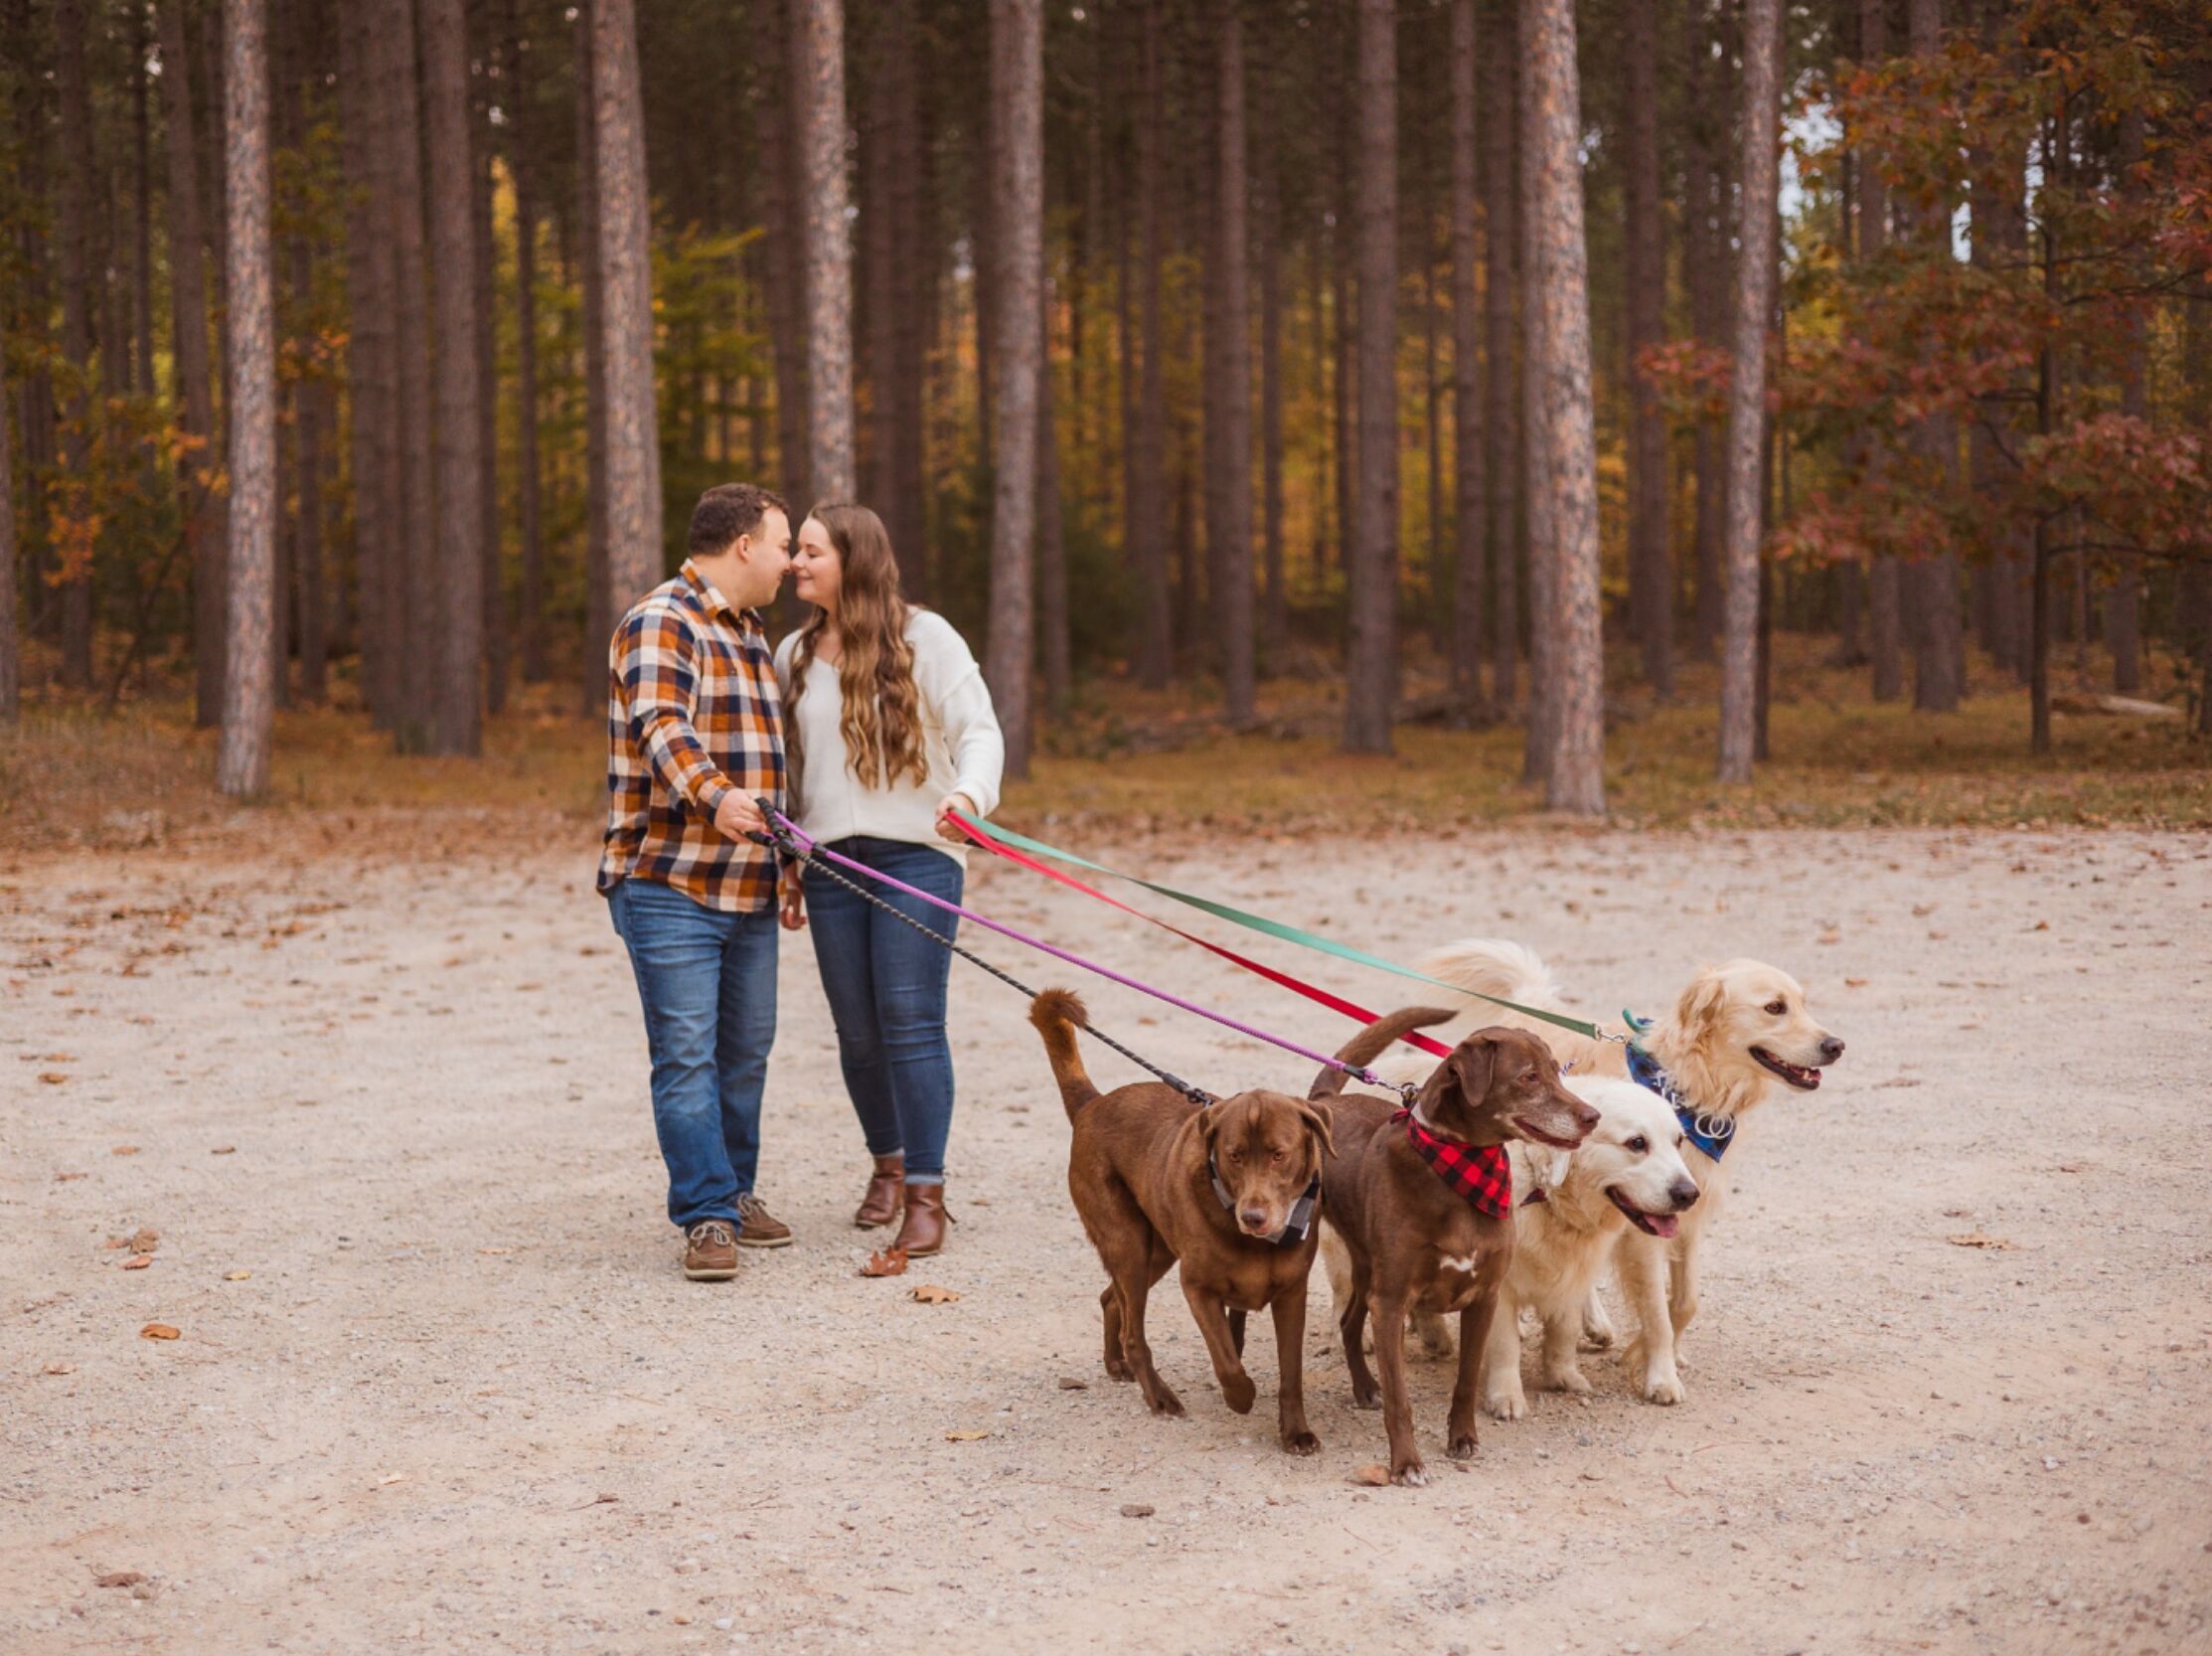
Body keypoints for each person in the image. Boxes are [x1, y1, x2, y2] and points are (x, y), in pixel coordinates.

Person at [774, 504, 1005, 1266]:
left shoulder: (926, 638)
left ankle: (927, 1196)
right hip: (830, 864)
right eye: (795, 552)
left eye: (809, 552)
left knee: (908, 1018)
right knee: (858, 1032)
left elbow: (979, 730)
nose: (794, 564)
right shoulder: (792, 653)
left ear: (853, 559)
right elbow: (788, 772)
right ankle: (888, 1162)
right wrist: (790, 864)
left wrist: (969, 798)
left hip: (916, 856)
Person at [599, 483, 795, 1282]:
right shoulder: (661, 621)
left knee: (745, 1053)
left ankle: (735, 1190)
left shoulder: (749, 634)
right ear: (744, 544)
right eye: (783, 544)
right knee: (687, 1055)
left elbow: (773, 766)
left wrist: (788, 868)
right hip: (668, 882)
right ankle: (706, 1215)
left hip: (748, 885)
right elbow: (663, 728)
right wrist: (716, 798)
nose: (789, 562)